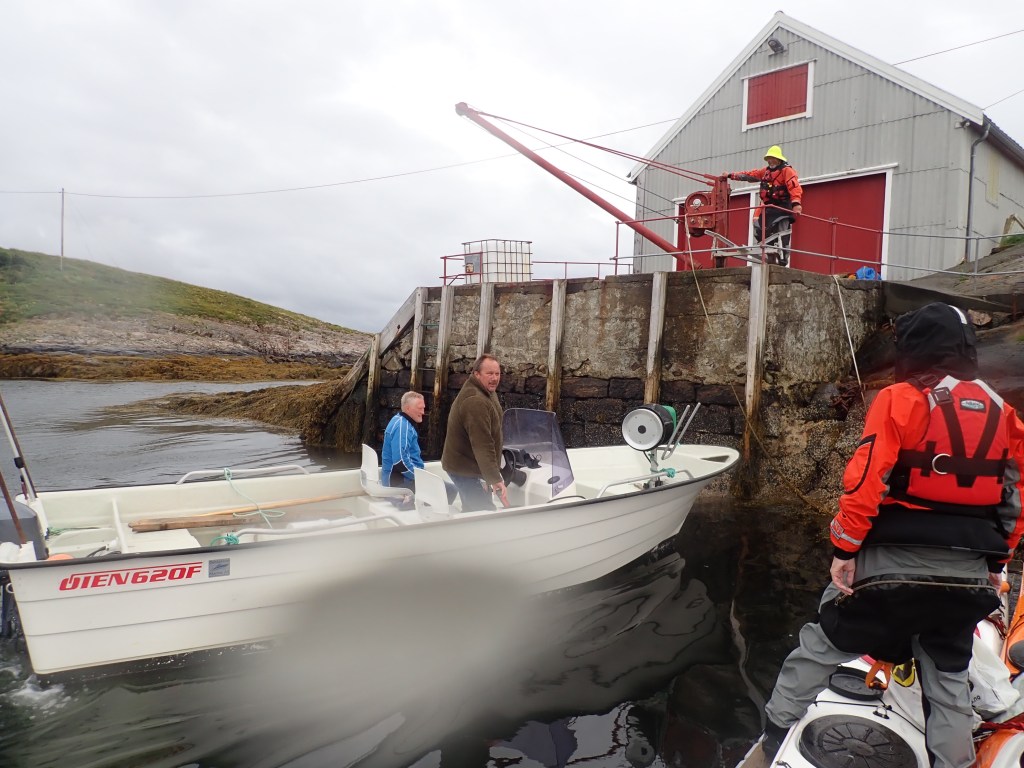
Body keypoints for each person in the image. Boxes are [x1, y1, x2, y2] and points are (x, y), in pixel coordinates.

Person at [754, 302, 1024, 768]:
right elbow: (1016, 505)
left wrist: (844, 549)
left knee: (819, 646)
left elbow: (865, 483)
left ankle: (773, 740)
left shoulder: (899, 399)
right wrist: (996, 566)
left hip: (887, 572)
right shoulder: (1007, 416)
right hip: (966, 579)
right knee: (948, 682)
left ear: (915, 347)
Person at [441, 353, 507, 511]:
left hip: (472, 465)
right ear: (477, 374)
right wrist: (494, 478)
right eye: (489, 373)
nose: (494, 378)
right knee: (484, 512)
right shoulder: (475, 400)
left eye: (497, 373)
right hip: (464, 469)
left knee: (472, 509)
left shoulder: (487, 391)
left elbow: (493, 427)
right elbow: (482, 443)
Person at [725, 145, 803, 266]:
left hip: (783, 208)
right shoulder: (765, 172)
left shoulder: (787, 171)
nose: (770, 161)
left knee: (782, 233)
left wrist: (796, 203)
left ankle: (783, 259)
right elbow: (750, 175)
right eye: (769, 159)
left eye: (773, 158)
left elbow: (794, 187)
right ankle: (769, 254)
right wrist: (731, 175)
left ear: (778, 159)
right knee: (761, 231)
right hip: (769, 209)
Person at [381, 391, 426, 491]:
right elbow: (400, 462)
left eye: (423, 408)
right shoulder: (403, 426)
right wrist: (420, 478)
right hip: (399, 483)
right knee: (449, 490)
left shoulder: (399, 419)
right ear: (408, 408)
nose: (423, 412)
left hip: (404, 479)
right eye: (420, 408)